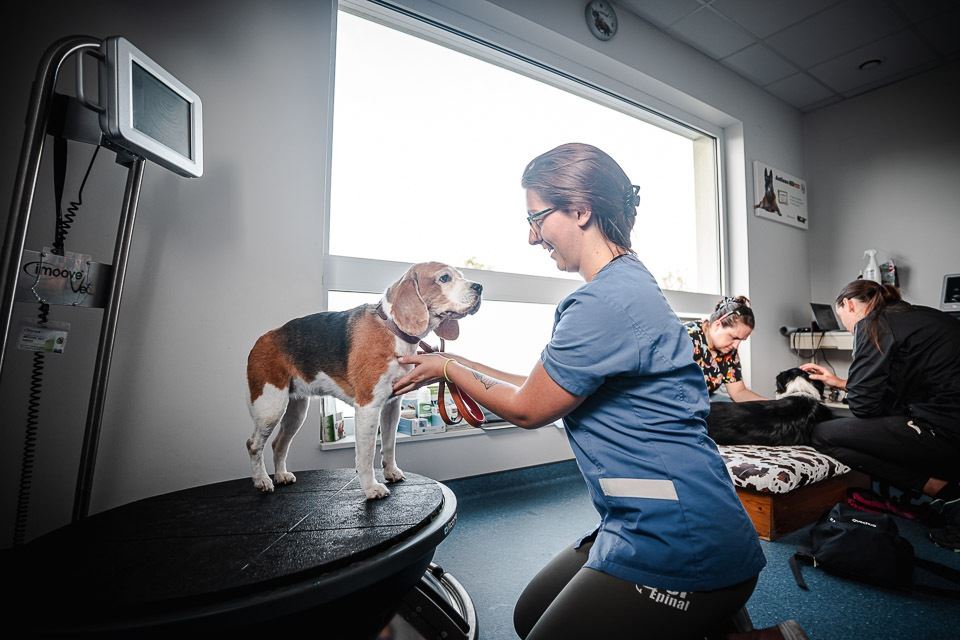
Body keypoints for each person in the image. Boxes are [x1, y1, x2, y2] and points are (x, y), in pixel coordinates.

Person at [393, 143, 766, 639]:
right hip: (637, 518)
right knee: (529, 616)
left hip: (680, 536)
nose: (531, 236)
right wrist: (450, 363)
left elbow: (528, 409)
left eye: (537, 218)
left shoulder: (603, 301)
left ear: (580, 210)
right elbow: (540, 388)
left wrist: (446, 367)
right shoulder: (624, 285)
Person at [801, 280, 960, 507]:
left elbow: (863, 407)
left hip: (945, 436)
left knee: (821, 433)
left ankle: (936, 486)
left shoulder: (873, 324)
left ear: (849, 305)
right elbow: (908, 383)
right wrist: (840, 382)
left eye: (841, 317)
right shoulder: (922, 315)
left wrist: (858, 389)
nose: (846, 326)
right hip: (949, 425)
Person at [684, 296, 766, 402]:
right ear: (717, 325)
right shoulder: (686, 338)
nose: (736, 346)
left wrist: (774, 405)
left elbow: (738, 392)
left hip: (704, 399)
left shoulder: (729, 351)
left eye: (741, 340)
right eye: (733, 337)